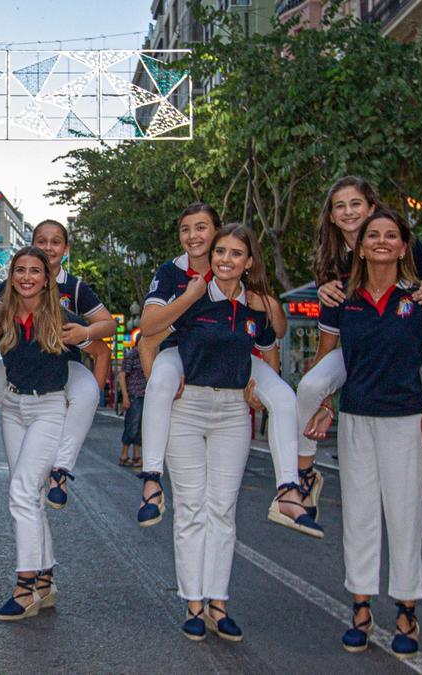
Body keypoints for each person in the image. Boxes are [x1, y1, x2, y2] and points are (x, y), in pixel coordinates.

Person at [307, 208, 422, 658]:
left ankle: (406, 612)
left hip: (406, 423)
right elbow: (326, 361)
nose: (380, 241)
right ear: (358, 246)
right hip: (357, 419)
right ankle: (359, 608)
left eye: (390, 235)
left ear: (403, 246)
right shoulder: (343, 299)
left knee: (403, 519)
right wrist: (323, 405)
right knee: (358, 518)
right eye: (372, 235)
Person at [135, 203, 317, 539]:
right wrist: (189, 297)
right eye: (185, 229)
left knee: (285, 397)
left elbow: (271, 337)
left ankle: (289, 488)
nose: (193, 236)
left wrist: (261, 388)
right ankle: (151, 479)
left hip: (234, 367)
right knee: (161, 380)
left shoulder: (244, 288)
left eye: (202, 228)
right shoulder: (175, 274)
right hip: (182, 353)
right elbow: (147, 334)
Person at [296, 176, 422, 545]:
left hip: (414, 343)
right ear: (333, 218)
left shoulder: (402, 245)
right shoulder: (331, 262)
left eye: (356, 204)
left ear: (372, 208)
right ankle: (304, 478)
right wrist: (325, 397)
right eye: (340, 206)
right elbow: (329, 338)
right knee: (307, 386)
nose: (349, 211)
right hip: (355, 347)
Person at [146, 223, 278, 642]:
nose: (225, 259)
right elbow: (150, 336)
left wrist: (260, 390)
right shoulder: (192, 297)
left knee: (221, 508)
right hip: (188, 409)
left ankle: (218, 603)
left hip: (233, 412)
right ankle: (192, 603)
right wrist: (160, 376)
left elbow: (270, 351)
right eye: (219, 251)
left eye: (235, 253)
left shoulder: (255, 305)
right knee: (190, 507)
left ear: (249, 261)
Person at [0, 219, 114, 512]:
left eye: (55, 242)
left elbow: (108, 327)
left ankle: (61, 471)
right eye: (41, 241)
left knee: (87, 396)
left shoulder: (75, 287)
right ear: (31, 245)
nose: (48, 247)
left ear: (65, 249)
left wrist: (86, 332)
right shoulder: (13, 285)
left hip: (63, 365)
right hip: (19, 363)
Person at [0, 247, 98, 621]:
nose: (27, 277)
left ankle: (25, 585)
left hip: (49, 409)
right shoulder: (3, 314)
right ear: (11, 276)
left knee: (23, 492)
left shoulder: (63, 318)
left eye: (35, 271)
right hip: (13, 409)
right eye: (20, 270)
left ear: (48, 279)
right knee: (31, 495)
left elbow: (101, 350)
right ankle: (44, 581)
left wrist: (88, 397)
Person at [118, 343, 146, 468]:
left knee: (141, 426)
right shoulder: (132, 355)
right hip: (134, 394)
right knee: (132, 424)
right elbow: (122, 375)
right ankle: (124, 455)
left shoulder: (148, 355)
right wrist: (125, 396)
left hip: (145, 395)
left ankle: (136, 455)